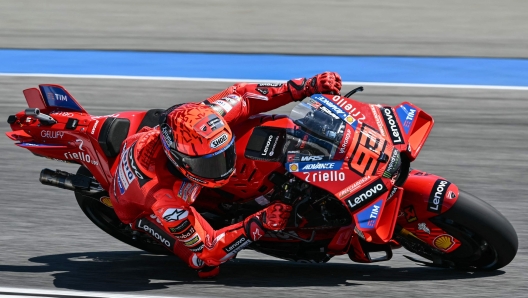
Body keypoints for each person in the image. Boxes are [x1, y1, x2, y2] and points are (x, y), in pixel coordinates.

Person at [109, 72, 342, 277]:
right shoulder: (164, 200)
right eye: (210, 164)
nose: (222, 167)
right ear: (181, 161)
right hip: (138, 206)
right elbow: (210, 250)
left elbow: (243, 94)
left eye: (224, 156)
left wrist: (307, 86)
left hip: (153, 138)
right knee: (205, 264)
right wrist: (259, 222)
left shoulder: (210, 116)